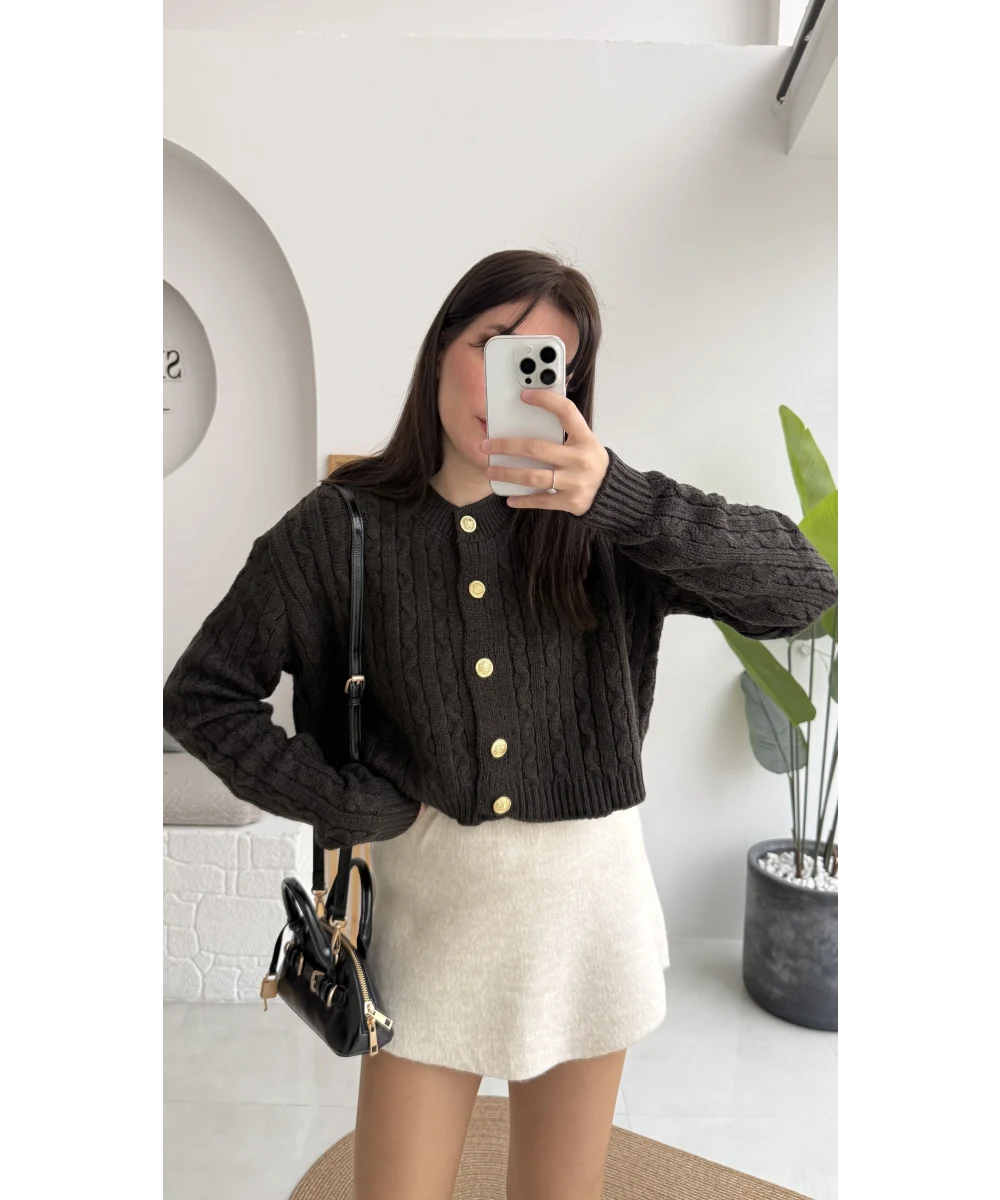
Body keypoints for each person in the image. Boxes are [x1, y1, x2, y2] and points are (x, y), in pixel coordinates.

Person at [161, 249, 839, 1200]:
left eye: (544, 363)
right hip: (430, 931)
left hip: (588, 921)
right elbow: (201, 694)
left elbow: (804, 589)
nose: (511, 384)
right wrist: (342, 802)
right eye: (494, 347)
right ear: (441, 348)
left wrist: (618, 497)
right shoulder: (341, 527)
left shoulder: (609, 522)